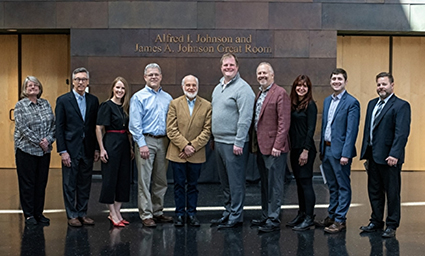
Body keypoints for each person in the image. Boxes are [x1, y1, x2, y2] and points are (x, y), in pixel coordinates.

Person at [359, 72, 411, 238]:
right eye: (378, 84)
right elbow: (369, 129)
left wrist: (394, 154)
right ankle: (376, 221)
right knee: (374, 191)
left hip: (390, 158)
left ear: (392, 85)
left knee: (392, 192)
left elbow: (401, 133)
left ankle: (391, 225)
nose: (381, 87)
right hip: (373, 156)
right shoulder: (372, 104)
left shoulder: (401, 105)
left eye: (384, 84)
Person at [210, 53, 255, 229]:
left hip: (234, 144)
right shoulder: (218, 88)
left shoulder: (243, 89)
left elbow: (245, 118)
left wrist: (239, 141)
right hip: (220, 142)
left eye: (231, 65)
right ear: (221, 67)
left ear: (237, 67)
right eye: (225, 65)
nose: (228, 68)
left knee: (236, 182)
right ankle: (228, 212)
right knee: (225, 182)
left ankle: (236, 216)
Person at [129, 63, 173, 227]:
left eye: (156, 74)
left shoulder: (168, 98)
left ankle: (157, 211)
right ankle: (146, 214)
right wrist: (141, 144)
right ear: (145, 77)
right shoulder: (138, 97)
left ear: (161, 77)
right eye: (150, 75)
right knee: (144, 180)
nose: (154, 77)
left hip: (164, 141)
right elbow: (134, 125)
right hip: (145, 141)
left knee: (161, 180)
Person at [317, 68, 360, 233]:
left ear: (345, 82)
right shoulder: (328, 101)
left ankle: (340, 219)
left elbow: (351, 131)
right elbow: (326, 127)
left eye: (339, 79)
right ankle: (332, 215)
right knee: (332, 186)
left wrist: (346, 154)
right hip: (327, 150)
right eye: (333, 78)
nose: (336, 81)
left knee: (343, 186)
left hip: (340, 152)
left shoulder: (352, 103)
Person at [56, 67, 100, 227]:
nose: (81, 82)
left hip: (87, 148)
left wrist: (96, 148)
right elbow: (59, 127)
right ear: (73, 81)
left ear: (88, 81)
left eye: (84, 79)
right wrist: (63, 151)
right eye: (78, 79)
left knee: (84, 182)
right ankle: (72, 214)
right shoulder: (63, 100)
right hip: (70, 148)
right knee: (69, 183)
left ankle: (82, 213)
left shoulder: (93, 100)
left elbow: (95, 126)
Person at [166, 75, 212, 227]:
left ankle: (192, 214)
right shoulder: (174, 104)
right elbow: (171, 129)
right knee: (179, 185)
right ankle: (179, 214)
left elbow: (207, 130)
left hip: (196, 153)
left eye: (194, 85)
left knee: (193, 185)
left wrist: (192, 147)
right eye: (188, 85)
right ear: (183, 87)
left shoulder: (206, 105)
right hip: (177, 152)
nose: (191, 88)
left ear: (197, 87)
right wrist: (185, 146)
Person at [250, 62, 290, 232]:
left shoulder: (280, 93)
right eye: (259, 73)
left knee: (275, 184)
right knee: (265, 183)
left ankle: (273, 219)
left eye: (265, 73)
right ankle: (266, 215)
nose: (262, 76)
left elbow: (284, 122)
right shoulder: (260, 93)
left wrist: (278, 145)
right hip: (261, 146)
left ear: (272, 75)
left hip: (275, 148)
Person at [14, 76, 55, 225]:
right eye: (29, 85)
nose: (32, 87)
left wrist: (48, 140)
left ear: (39, 88)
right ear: (25, 90)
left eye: (35, 85)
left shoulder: (45, 104)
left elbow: (53, 125)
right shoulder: (20, 106)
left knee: (41, 183)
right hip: (26, 150)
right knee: (28, 183)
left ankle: (39, 213)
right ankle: (29, 215)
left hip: (44, 152)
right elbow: (23, 128)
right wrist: (39, 141)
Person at [96, 77, 134, 227]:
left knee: (123, 179)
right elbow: (99, 127)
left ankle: (117, 212)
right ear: (113, 88)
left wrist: (130, 147)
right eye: (117, 87)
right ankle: (112, 213)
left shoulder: (126, 107)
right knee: (110, 179)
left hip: (124, 143)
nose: (120, 91)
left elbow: (129, 130)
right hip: (111, 142)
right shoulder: (106, 106)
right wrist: (102, 149)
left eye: (123, 88)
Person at [287, 75, 318, 231]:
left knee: (306, 183)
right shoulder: (293, 105)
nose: (301, 88)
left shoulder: (310, 105)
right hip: (295, 149)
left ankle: (309, 218)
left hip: (306, 149)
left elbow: (311, 130)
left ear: (308, 88)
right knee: (299, 183)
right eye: (299, 85)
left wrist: (305, 151)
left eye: (305, 86)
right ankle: (301, 214)